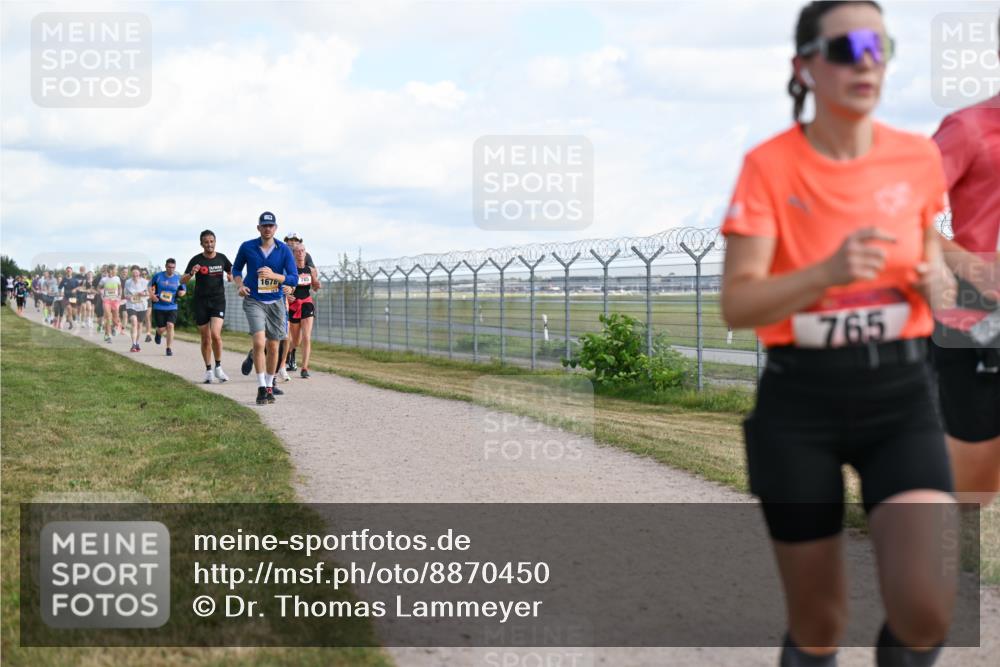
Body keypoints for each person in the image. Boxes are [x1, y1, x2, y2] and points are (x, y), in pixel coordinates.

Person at [720, 3, 959, 666]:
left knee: (927, 606)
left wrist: (929, 280)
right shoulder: (770, 166)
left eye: (881, 45)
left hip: (902, 397)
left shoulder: (916, 157)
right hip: (801, 406)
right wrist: (826, 271)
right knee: (819, 621)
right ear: (803, 66)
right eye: (848, 46)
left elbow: (935, 273)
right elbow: (737, 304)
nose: (867, 61)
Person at [931, 68, 1000, 507]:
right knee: (975, 490)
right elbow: (904, 211)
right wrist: (974, 270)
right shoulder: (969, 127)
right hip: (981, 316)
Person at [231, 211, 298, 404]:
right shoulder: (247, 247)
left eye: (271, 226)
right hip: (254, 300)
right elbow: (236, 269)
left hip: (276, 301)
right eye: (264, 226)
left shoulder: (283, 249)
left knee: (273, 345)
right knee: (260, 342)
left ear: (275, 228)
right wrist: (240, 285)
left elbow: (293, 277)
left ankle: (269, 385)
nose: (267, 229)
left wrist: (274, 276)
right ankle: (261, 387)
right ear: (258, 227)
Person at [182, 230, 233, 383]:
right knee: (205, 338)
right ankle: (208, 370)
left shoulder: (222, 258)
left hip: (218, 300)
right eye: (206, 242)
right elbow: (182, 281)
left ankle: (218, 367)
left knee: (215, 334)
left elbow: (233, 273)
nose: (209, 244)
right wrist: (192, 272)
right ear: (201, 244)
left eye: (211, 241)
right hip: (201, 302)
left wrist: (231, 277)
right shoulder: (196, 260)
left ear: (215, 242)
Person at [287, 244, 319, 378]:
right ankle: (288, 353)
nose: (300, 253)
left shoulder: (310, 270)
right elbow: (285, 287)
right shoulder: (290, 270)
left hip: (306, 303)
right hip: (294, 305)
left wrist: (317, 284)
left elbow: (315, 286)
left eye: (302, 251)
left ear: (305, 253)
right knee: (296, 341)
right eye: (297, 251)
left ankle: (304, 368)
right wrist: (287, 295)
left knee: (306, 337)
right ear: (293, 254)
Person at [149, 258, 187, 357]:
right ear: (165, 266)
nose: (171, 269)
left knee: (170, 325)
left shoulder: (178, 278)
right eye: (169, 267)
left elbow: (183, 290)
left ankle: (168, 348)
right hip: (159, 306)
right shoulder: (158, 276)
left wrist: (181, 293)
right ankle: (158, 332)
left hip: (172, 306)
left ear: (175, 267)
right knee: (161, 329)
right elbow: (149, 287)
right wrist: (152, 296)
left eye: (173, 267)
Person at [123, 265, 149, 352]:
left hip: (142, 305)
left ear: (139, 273)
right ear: (131, 274)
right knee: (134, 321)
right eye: (133, 274)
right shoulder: (128, 282)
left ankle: (137, 343)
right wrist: (129, 297)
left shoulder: (145, 282)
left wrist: (144, 294)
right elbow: (125, 294)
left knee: (139, 325)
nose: (135, 276)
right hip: (131, 305)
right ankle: (133, 344)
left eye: (137, 274)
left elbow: (150, 293)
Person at [100, 264, 123, 343]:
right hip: (107, 300)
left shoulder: (117, 278)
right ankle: (108, 336)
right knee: (108, 317)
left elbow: (120, 288)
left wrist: (119, 296)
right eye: (115, 269)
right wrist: (102, 293)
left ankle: (115, 327)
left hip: (115, 300)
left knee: (115, 319)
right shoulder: (104, 279)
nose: (116, 271)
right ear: (111, 270)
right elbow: (99, 288)